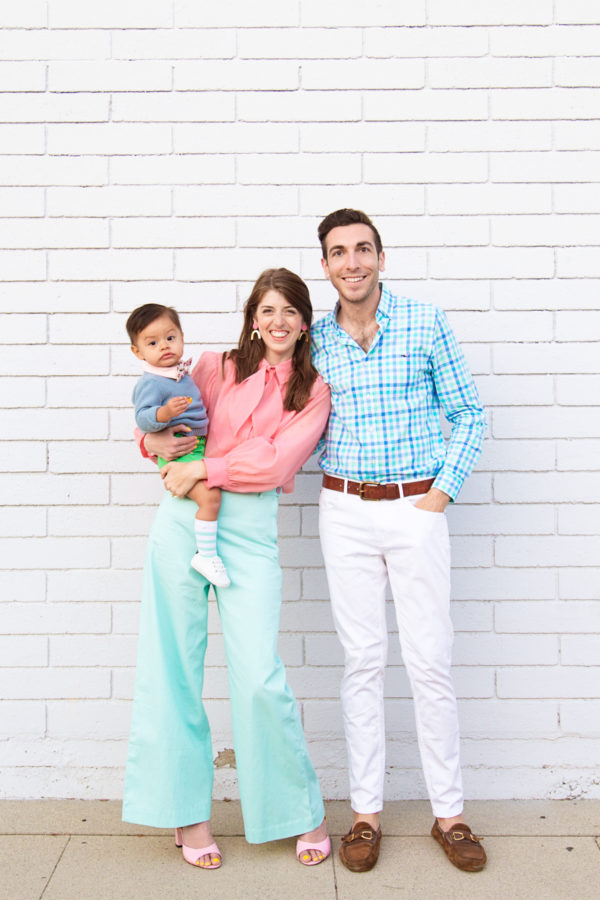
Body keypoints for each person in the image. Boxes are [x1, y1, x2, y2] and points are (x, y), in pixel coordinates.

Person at [122, 268, 332, 871]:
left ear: (304, 321)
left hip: (247, 532)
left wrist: (203, 471)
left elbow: (274, 461)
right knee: (173, 669)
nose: (278, 322)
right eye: (267, 311)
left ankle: (299, 810)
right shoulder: (214, 366)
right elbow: (166, 423)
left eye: (289, 311)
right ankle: (186, 816)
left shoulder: (312, 390)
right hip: (180, 521)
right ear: (252, 317)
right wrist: (156, 448)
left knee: (260, 675)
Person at [311, 209, 487, 874]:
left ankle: (451, 815)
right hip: (345, 508)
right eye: (338, 252)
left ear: (380, 257)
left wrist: (439, 495)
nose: (351, 262)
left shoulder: (424, 321)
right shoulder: (315, 340)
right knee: (361, 662)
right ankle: (365, 817)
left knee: (429, 659)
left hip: (416, 504)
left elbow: (469, 414)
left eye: (362, 249)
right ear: (325, 265)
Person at [126, 303, 229, 587]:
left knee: (211, 495)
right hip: (180, 450)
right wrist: (164, 414)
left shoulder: (180, 375)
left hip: (196, 447)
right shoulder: (152, 382)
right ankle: (206, 556)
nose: (164, 347)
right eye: (153, 342)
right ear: (138, 352)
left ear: (181, 337)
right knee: (210, 498)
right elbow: (143, 418)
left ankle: (202, 549)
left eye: (171, 338)